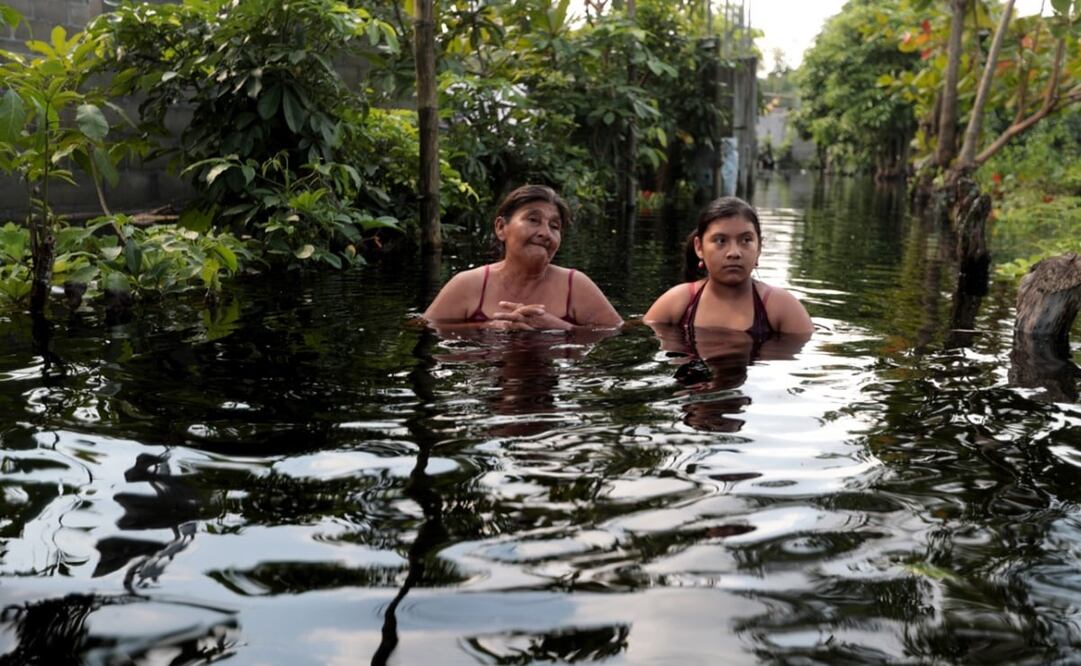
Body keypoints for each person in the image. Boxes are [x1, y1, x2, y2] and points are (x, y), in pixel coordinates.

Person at [424, 184, 623, 330]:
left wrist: (560, 328)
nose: (545, 232)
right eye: (533, 220)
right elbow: (422, 327)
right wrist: (486, 328)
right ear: (501, 228)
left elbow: (619, 332)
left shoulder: (576, 285)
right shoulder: (468, 284)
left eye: (554, 226)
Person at [644, 196, 813, 337]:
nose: (734, 252)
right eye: (720, 241)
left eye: (746, 240)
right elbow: (631, 333)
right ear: (699, 248)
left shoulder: (782, 308)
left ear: (759, 247)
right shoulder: (678, 302)